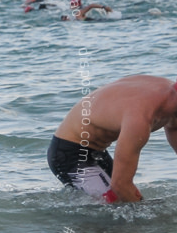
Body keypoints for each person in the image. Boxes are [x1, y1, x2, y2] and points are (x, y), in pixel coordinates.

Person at [48, 75, 177, 202]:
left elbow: (173, 128)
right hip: (70, 154)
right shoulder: (140, 118)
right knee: (115, 203)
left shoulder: (169, 98)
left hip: (97, 150)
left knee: (120, 202)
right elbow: (120, 185)